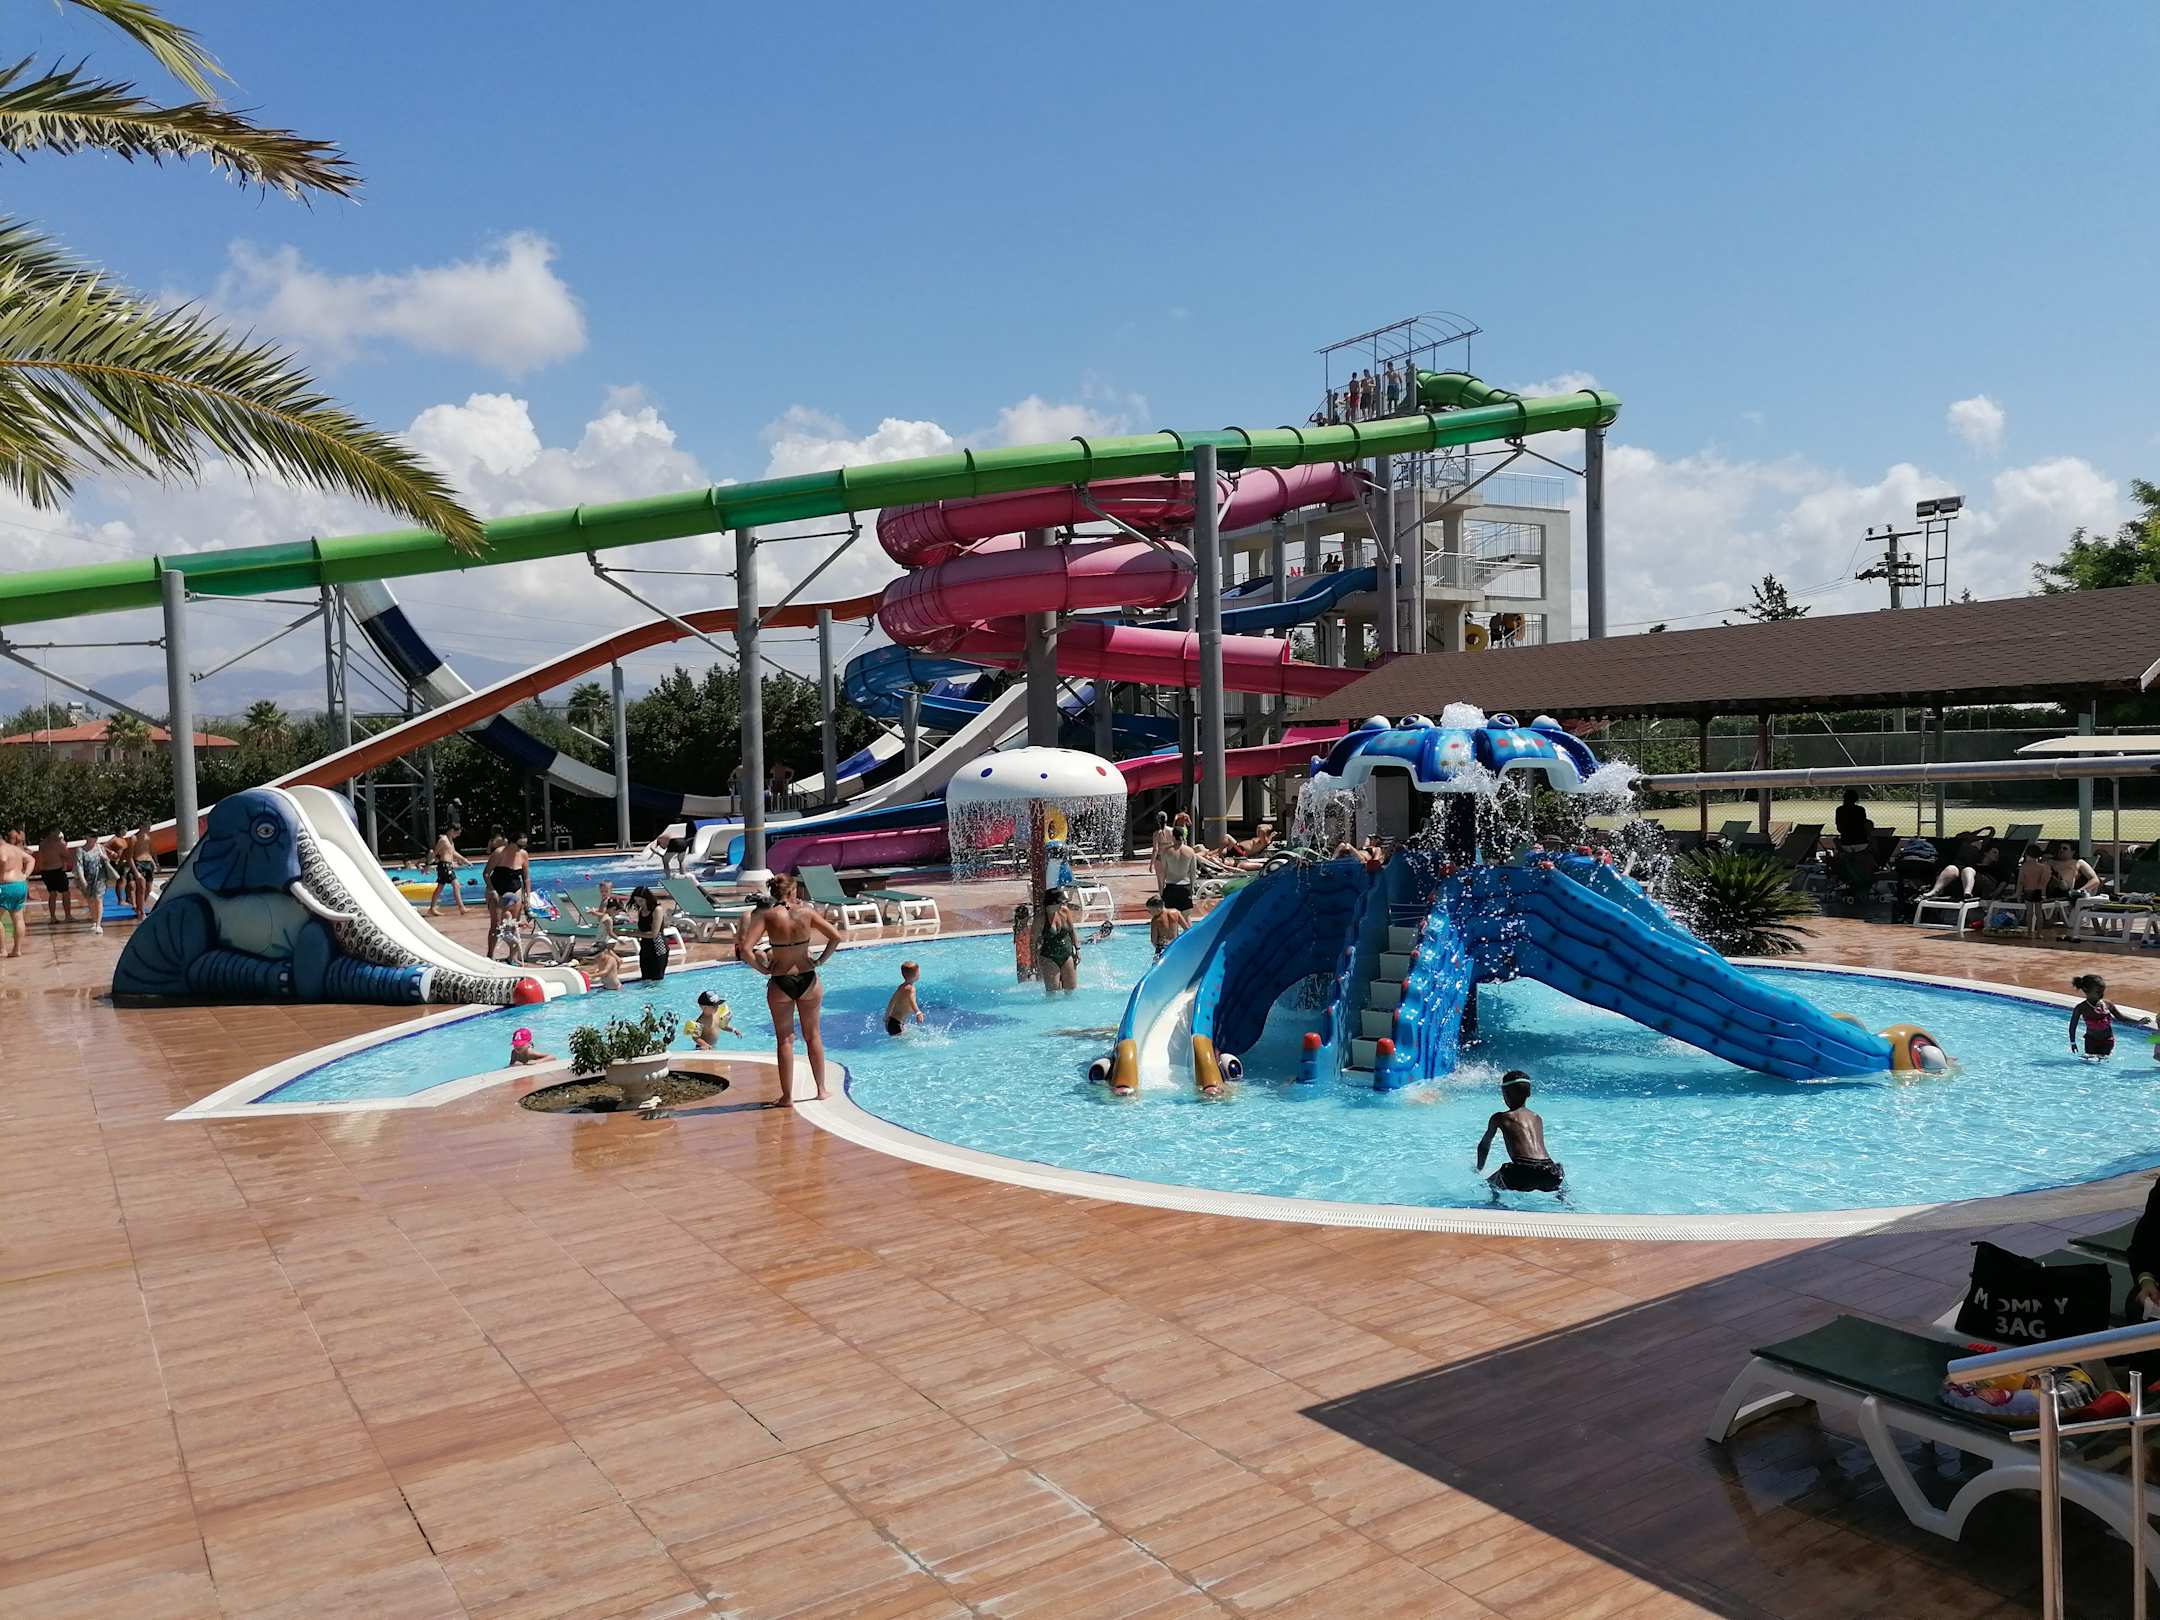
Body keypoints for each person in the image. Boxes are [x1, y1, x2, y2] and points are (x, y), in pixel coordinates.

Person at [735, 872, 841, 1104]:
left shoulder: (768, 916)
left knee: (784, 1040)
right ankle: (821, 1089)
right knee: (813, 1036)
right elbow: (835, 937)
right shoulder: (807, 912)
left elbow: (745, 949)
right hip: (808, 978)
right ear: (792, 891)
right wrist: (820, 961)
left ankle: (787, 1097)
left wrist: (763, 969)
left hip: (780, 980)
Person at [1475, 1072, 1566, 1197]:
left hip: (1521, 1174)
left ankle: (1496, 1204)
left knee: (1490, 1183)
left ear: (1506, 1094)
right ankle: (1566, 1200)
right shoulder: (1537, 1118)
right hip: (1549, 1173)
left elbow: (1484, 1145)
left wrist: (1479, 1168)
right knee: (1559, 1178)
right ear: (1529, 1093)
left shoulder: (1500, 1117)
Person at [2069, 974, 2149, 1060]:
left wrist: (2138, 1022)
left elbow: (2121, 1018)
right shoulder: (2081, 1008)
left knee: (2103, 1060)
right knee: (2088, 1061)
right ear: (2086, 990)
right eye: (2098, 992)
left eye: (2102, 991)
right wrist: (2073, 1042)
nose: (2101, 994)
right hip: (2091, 1040)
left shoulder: (2107, 1004)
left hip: (2107, 1040)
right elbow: (2073, 1026)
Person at [1922, 833, 2003, 901]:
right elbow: (1961, 836)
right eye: (1994, 852)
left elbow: (2004, 881)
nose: (1997, 855)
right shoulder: (1974, 860)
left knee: (1968, 870)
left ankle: (1967, 893)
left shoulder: (1995, 868)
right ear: (1986, 853)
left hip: (1984, 884)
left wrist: (1994, 894)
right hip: (1965, 879)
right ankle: (1934, 891)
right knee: (1951, 868)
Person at [1036, 888, 1080, 994]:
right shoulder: (1040, 919)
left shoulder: (1065, 911)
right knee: (1053, 993)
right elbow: (1033, 941)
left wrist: (1077, 950)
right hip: (1048, 956)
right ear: (1051, 904)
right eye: (1060, 902)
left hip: (1067, 953)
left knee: (1071, 991)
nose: (1062, 904)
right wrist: (1034, 961)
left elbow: (1072, 931)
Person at [626, 884, 671, 983]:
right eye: (636, 901)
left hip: (658, 947)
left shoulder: (657, 910)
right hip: (645, 947)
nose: (639, 903)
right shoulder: (641, 911)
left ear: (648, 898)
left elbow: (654, 934)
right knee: (645, 979)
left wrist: (632, 934)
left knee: (657, 980)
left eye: (641, 901)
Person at [0, 827, 32, 957]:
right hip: (20, 884)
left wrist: (1, 875)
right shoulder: (15, 849)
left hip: (5, 886)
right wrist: (25, 875)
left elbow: (3, 859)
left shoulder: (2, 849)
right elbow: (31, 860)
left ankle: (2, 950)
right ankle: (17, 950)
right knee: (18, 918)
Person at [32, 828, 74, 925]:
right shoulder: (58, 844)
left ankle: (52, 917)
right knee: (65, 893)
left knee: (52, 893)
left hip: (45, 871)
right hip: (57, 870)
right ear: (52, 833)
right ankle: (68, 916)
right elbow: (67, 856)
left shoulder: (42, 844)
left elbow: (41, 858)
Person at [74, 832, 113, 936]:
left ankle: (98, 924)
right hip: (87, 878)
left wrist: (105, 858)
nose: (95, 838)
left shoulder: (100, 847)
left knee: (98, 898)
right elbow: (79, 865)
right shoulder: (80, 850)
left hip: (100, 877)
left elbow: (107, 861)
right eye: (92, 836)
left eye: (96, 836)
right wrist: (82, 880)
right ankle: (94, 921)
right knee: (90, 900)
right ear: (86, 837)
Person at [1157, 825, 1200, 914]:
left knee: (1171, 918)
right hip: (1185, 887)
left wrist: (1161, 890)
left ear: (1173, 837)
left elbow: (1163, 872)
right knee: (1186, 918)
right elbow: (1193, 872)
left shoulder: (1166, 851)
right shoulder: (1190, 851)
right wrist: (1192, 888)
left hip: (1170, 887)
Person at [427, 825, 468, 915]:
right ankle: (461, 908)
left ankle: (432, 908)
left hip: (447, 865)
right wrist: (428, 865)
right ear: (452, 830)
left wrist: (464, 859)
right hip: (444, 865)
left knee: (440, 887)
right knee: (456, 885)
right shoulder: (443, 840)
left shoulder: (450, 841)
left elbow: (453, 852)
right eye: (457, 833)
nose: (457, 835)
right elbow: (435, 852)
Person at [884, 961, 923, 1037]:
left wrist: (886, 1017)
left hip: (892, 1022)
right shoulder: (911, 989)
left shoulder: (901, 987)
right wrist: (918, 1012)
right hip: (897, 1025)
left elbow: (892, 1001)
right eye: (919, 972)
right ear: (916, 975)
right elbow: (912, 1001)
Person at [126, 827, 156, 916]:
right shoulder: (134, 838)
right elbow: (129, 857)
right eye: (147, 826)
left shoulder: (148, 837)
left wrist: (155, 863)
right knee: (141, 888)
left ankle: (140, 907)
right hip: (139, 863)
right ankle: (141, 911)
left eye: (149, 827)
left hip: (148, 864)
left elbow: (149, 852)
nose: (149, 828)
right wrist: (135, 871)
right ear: (141, 826)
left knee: (148, 889)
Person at [1011, 902, 1034, 983]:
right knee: (1030, 980)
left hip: (1020, 960)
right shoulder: (1029, 930)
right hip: (1028, 958)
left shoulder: (1016, 929)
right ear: (1027, 917)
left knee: (1022, 981)